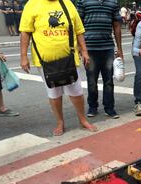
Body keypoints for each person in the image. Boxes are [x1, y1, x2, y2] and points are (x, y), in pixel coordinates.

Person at [20, 0, 97, 136]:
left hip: (69, 59)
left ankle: (82, 119)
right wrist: (23, 57)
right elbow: (25, 32)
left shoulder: (67, 3)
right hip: (45, 61)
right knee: (54, 94)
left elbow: (79, 30)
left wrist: (84, 51)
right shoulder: (32, 4)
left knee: (76, 92)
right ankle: (60, 122)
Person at [77, 0, 123, 119]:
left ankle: (109, 108)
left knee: (109, 81)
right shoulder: (83, 1)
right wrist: (80, 48)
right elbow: (78, 25)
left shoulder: (113, 2)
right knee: (91, 80)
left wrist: (119, 48)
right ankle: (92, 107)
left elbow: (117, 25)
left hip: (107, 47)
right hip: (89, 49)